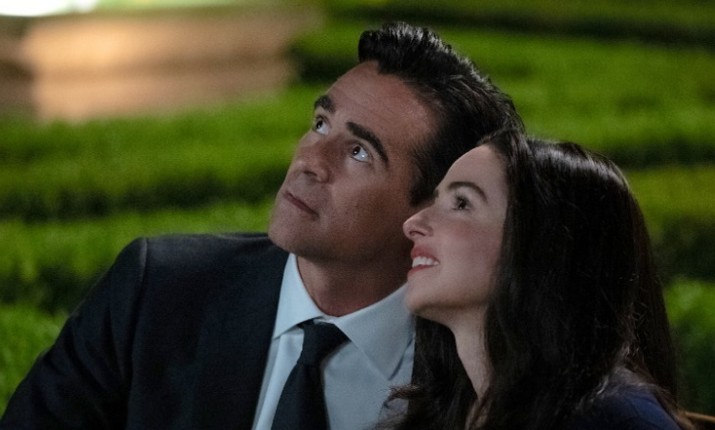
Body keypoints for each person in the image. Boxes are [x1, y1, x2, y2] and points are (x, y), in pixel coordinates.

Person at [0, 22, 522, 429]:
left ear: (430, 209)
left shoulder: (484, 364)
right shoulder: (155, 291)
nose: (311, 160)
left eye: (359, 152)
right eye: (320, 123)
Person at [391, 129, 693, 429]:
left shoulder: (616, 419)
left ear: (545, 245)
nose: (413, 223)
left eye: (461, 203)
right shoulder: (444, 413)